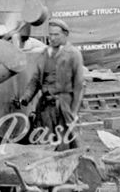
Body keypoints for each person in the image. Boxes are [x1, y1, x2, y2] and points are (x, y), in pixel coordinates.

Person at [18, 19, 85, 150]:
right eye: (50, 34)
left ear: (65, 34)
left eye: (56, 35)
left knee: (65, 142)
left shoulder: (73, 54)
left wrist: (74, 111)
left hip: (64, 106)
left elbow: (79, 86)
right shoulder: (44, 54)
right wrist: (25, 98)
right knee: (45, 142)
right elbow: (35, 80)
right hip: (45, 107)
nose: (52, 38)